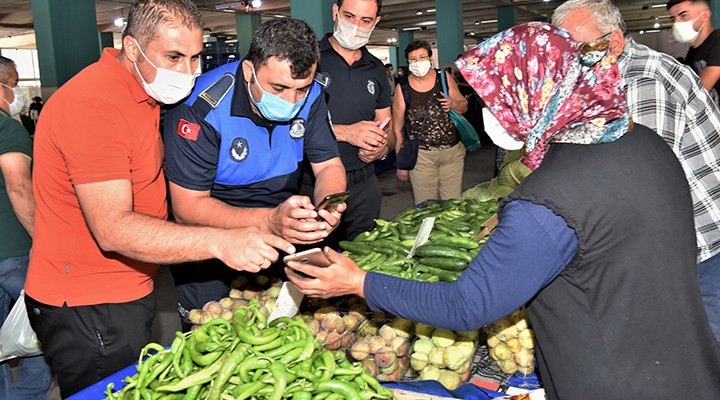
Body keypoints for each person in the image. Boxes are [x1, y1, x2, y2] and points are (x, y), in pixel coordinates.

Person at [286, 22, 720, 399]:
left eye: (495, 98)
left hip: (613, 381)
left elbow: (468, 305)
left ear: (532, 92)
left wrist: (358, 281)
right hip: (685, 363)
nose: (489, 112)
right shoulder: (643, 142)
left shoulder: (548, 199)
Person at [24, 1, 294, 397]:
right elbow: (113, 229)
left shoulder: (141, 92)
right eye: (174, 57)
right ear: (132, 49)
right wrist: (218, 241)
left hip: (127, 288)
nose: (188, 71)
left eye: (195, 57)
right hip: (89, 301)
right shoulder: (95, 105)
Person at [162, 17, 346, 330]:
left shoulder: (312, 94)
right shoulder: (200, 108)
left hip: (282, 226)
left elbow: (328, 164)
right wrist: (268, 221)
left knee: (287, 330)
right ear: (249, 70)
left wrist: (329, 205)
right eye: (279, 88)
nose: (291, 100)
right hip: (212, 237)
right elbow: (187, 208)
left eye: (300, 89)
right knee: (212, 337)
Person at [553, 0, 720, 343]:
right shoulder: (607, 75)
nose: (571, 58)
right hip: (679, 242)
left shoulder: (643, 79)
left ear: (613, 41)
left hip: (702, 248)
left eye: (579, 47)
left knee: (701, 357)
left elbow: (638, 181)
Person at [303, 0, 394, 244]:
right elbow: (286, 126)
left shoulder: (375, 68)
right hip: (311, 185)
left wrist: (381, 148)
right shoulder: (309, 59)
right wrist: (344, 133)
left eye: (365, 21)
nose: (356, 26)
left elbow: (388, 127)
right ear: (335, 12)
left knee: (364, 260)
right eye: (349, 16)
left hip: (364, 184)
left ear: (376, 22)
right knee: (314, 264)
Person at [0, 56, 51, 400]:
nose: (16, 91)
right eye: (14, 84)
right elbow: (19, 187)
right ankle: (30, 396)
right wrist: (44, 239)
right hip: (13, 252)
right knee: (44, 324)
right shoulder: (6, 127)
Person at [392, 40, 468, 204]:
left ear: (430, 58)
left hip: (452, 154)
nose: (418, 62)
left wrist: (453, 104)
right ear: (408, 62)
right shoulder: (403, 88)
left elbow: (464, 106)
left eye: (422, 57)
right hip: (421, 157)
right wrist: (402, 163)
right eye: (413, 59)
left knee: (452, 205)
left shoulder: (444, 77)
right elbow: (397, 129)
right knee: (426, 207)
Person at [668, 0, 720, 105]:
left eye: (683, 16)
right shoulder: (692, 53)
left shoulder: (717, 42)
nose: (677, 23)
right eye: (674, 19)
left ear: (704, 16)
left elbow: (696, 94)